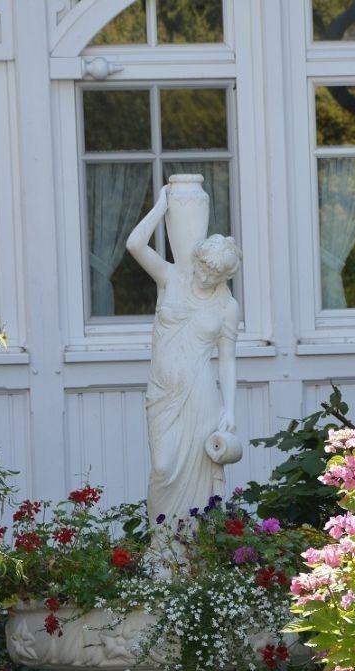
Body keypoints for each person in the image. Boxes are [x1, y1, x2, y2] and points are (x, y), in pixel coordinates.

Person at [124, 184, 241, 533]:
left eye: (214, 274)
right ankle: (162, 549)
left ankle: (193, 551)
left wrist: (230, 408)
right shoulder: (171, 278)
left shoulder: (227, 306)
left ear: (225, 275)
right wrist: (161, 206)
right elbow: (134, 245)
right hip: (163, 392)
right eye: (202, 267)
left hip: (200, 396)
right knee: (162, 468)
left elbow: (227, 360)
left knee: (198, 475)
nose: (205, 276)